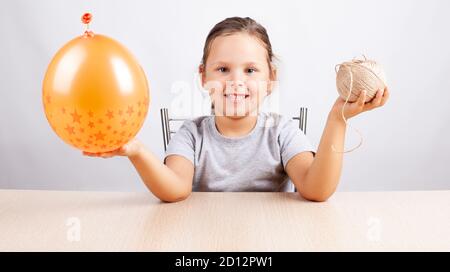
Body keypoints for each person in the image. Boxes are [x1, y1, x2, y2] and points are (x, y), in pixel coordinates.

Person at [84, 17, 389, 202]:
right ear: (204, 77)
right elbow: (175, 190)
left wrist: (338, 118)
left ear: (271, 79)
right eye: (223, 69)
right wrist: (137, 151)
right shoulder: (191, 135)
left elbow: (316, 190)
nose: (236, 81)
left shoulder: (282, 132)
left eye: (251, 71)